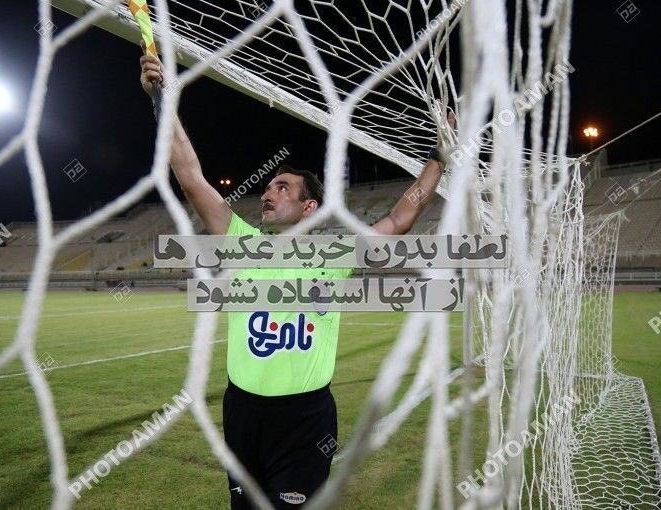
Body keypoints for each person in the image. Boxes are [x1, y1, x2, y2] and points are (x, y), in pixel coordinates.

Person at [139, 52, 454, 509]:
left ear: (309, 208)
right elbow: (190, 176)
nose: (268, 192)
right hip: (241, 412)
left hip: (304, 419)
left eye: (282, 187)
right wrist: (164, 103)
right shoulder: (241, 242)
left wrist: (438, 159)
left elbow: (399, 218)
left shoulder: (335, 254)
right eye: (268, 186)